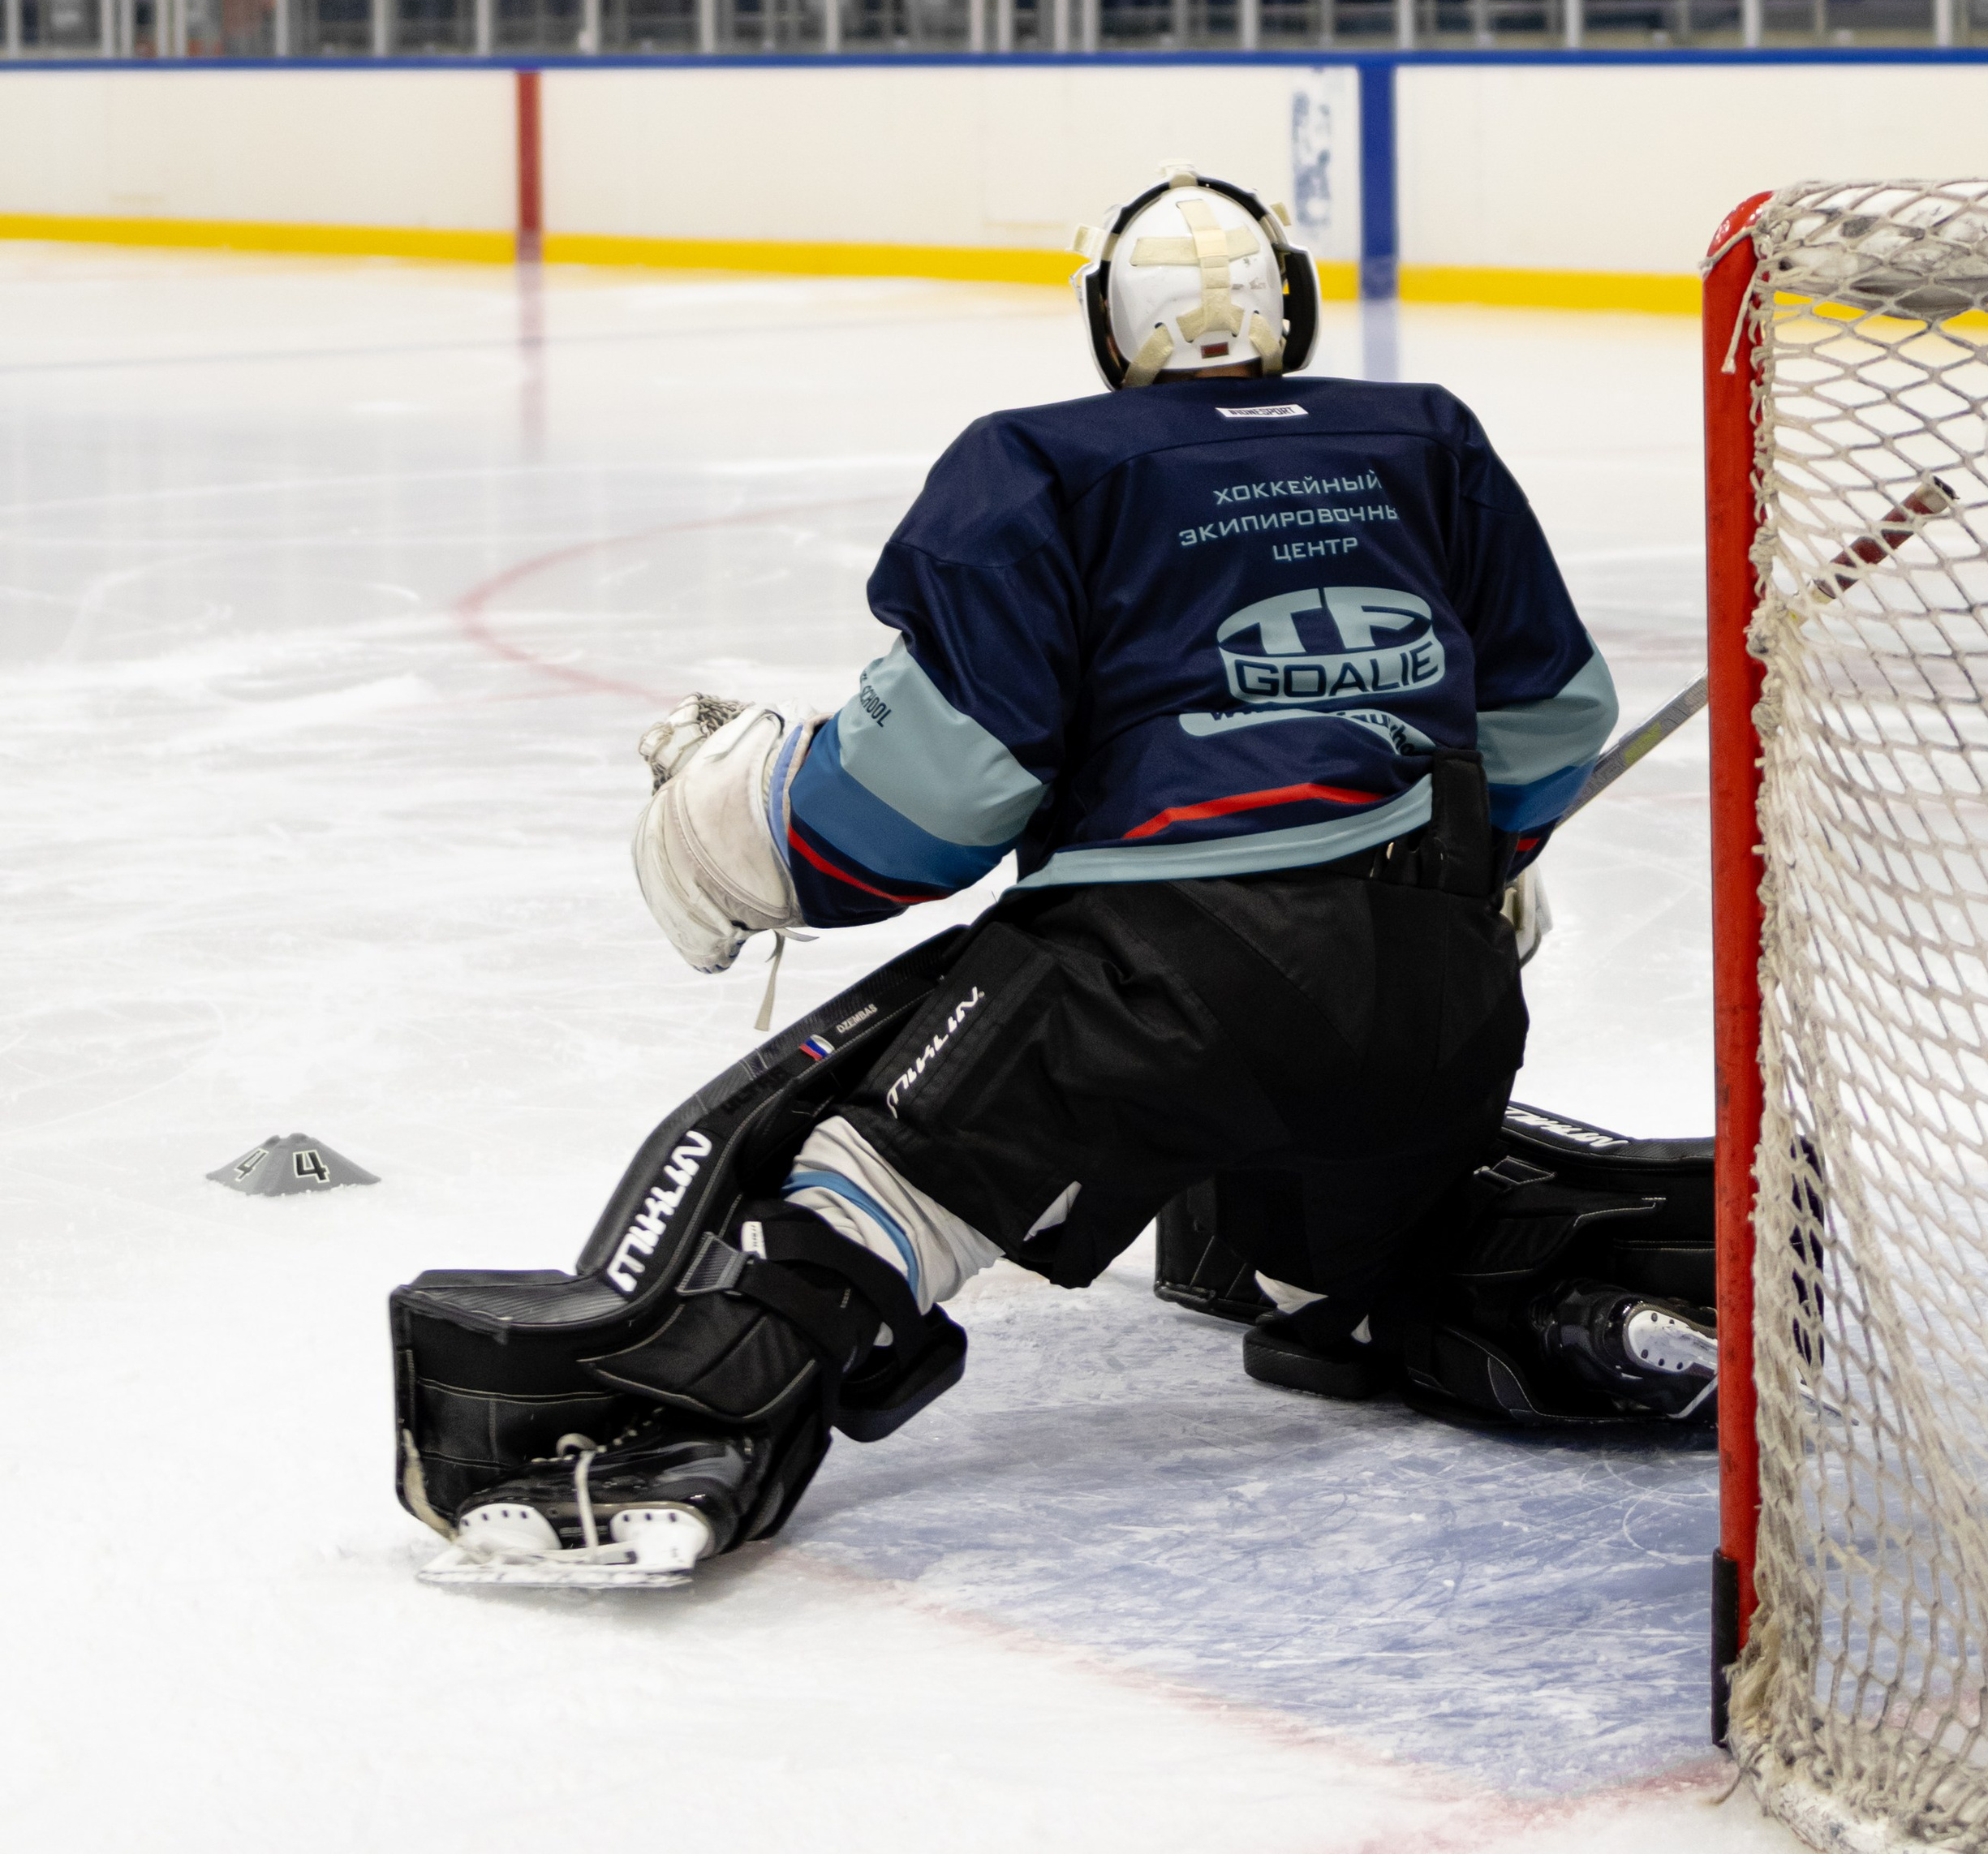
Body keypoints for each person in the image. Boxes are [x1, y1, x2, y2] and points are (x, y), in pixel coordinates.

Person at [415, 161, 1696, 1588]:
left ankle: (686, 1418)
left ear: (1108, 326)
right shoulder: (1426, 443)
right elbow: (1552, 725)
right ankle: (1436, 1285)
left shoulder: (1043, 467)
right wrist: (1478, 863)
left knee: (872, 1174)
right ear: (1298, 311)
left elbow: (927, 804)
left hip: (1152, 987)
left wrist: (736, 831)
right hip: (1434, 999)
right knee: (1338, 1226)